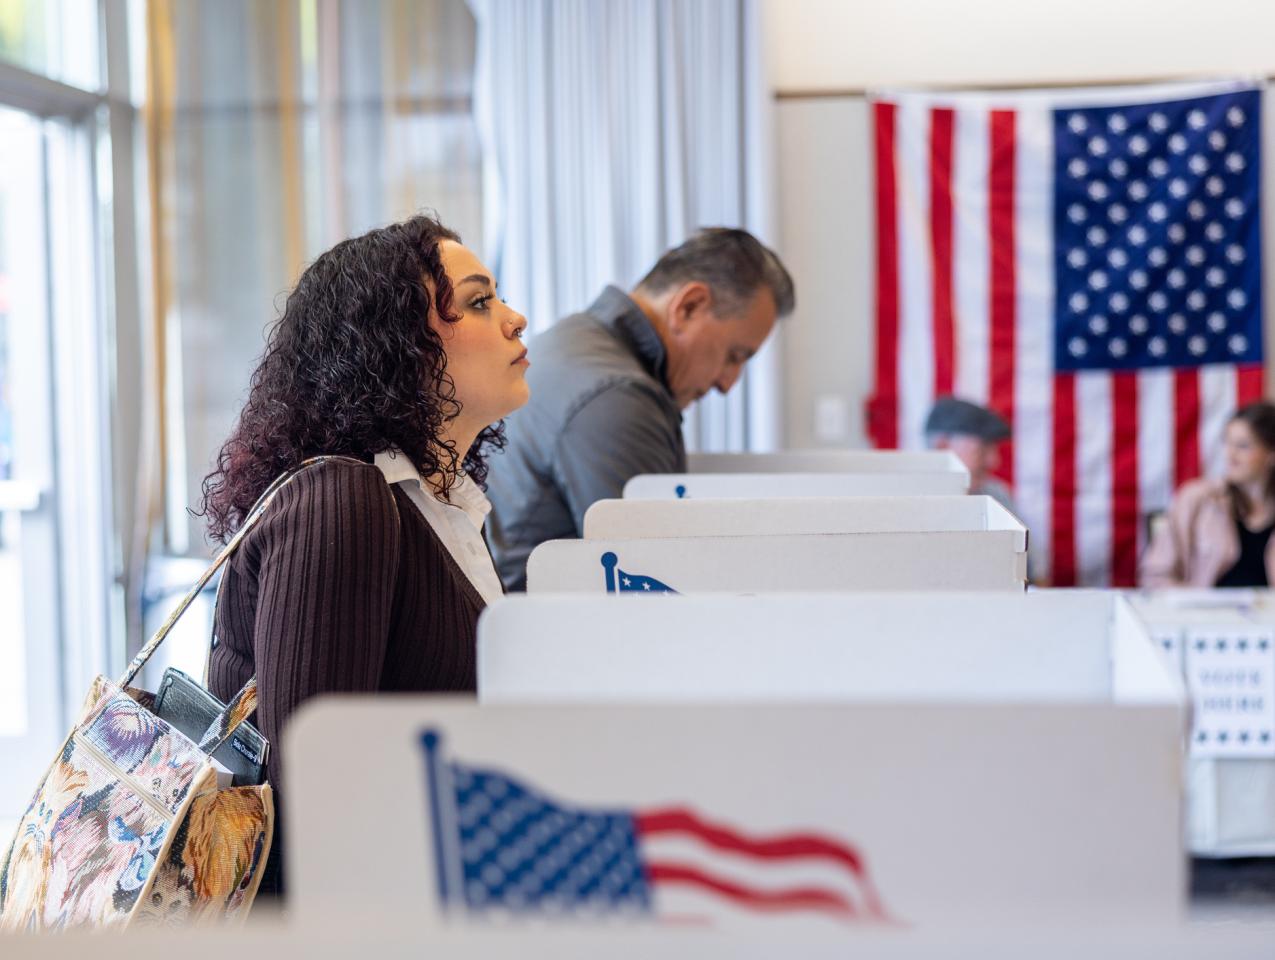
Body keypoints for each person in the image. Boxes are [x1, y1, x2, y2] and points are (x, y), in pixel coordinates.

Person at [199, 214, 529, 896]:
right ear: (397, 346)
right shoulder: (343, 503)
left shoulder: (439, 508)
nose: (515, 319)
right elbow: (318, 803)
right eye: (478, 302)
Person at [485, 228, 796, 591]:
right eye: (734, 356)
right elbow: (664, 585)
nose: (727, 384)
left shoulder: (572, 339)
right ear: (689, 306)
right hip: (552, 635)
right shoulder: (617, 399)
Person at [1140, 401, 1275, 588]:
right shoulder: (1196, 499)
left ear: (1271, 454)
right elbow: (1155, 575)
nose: (1230, 455)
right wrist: (1193, 605)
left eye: (1243, 446)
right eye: (1227, 443)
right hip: (1205, 615)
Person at [923, 396, 1017, 514]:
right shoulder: (906, 499)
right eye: (982, 449)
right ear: (942, 447)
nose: (994, 461)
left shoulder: (995, 496)